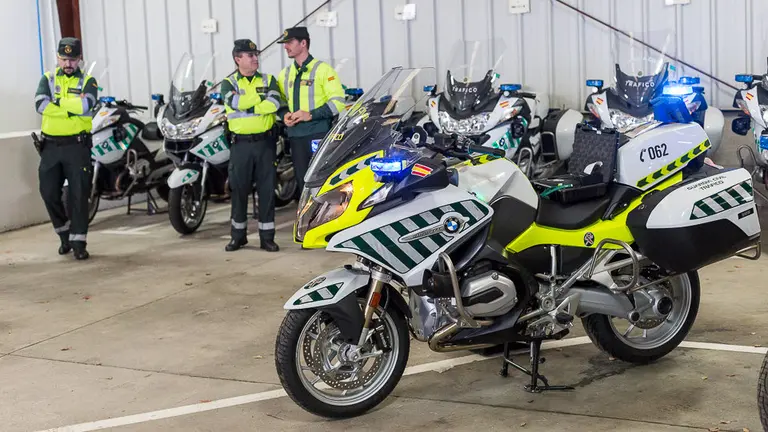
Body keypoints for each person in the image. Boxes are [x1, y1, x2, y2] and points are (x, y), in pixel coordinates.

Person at [34, 37, 98, 260]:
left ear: (80, 59)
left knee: (79, 195)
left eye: (72, 59)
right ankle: (64, 234)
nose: (68, 63)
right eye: (64, 59)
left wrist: (57, 103)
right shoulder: (48, 79)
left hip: (77, 147)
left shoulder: (89, 81)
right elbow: (40, 104)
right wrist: (71, 107)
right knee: (48, 192)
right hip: (50, 146)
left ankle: (79, 243)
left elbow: (86, 104)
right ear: (58, 58)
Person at [221, 39, 282, 252]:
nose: (256, 58)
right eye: (250, 55)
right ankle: (238, 236)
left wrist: (248, 101)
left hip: (265, 144)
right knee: (239, 190)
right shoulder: (229, 83)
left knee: (266, 191)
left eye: (256, 54)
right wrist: (259, 100)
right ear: (238, 59)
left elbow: (274, 103)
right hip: (240, 146)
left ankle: (267, 237)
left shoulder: (269, 79)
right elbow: (233, 102)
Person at [276, 26, 346, 193]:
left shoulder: (323, 70)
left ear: (303, 43)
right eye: (285, 43)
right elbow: (279, 101)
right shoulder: (284, 74)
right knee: (303, 182)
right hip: (295, 137)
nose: (286, 46)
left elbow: (338, 102)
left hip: (318, 135)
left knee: (322, 181)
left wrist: (310, 115)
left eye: (289, 42)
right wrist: (283, 115)